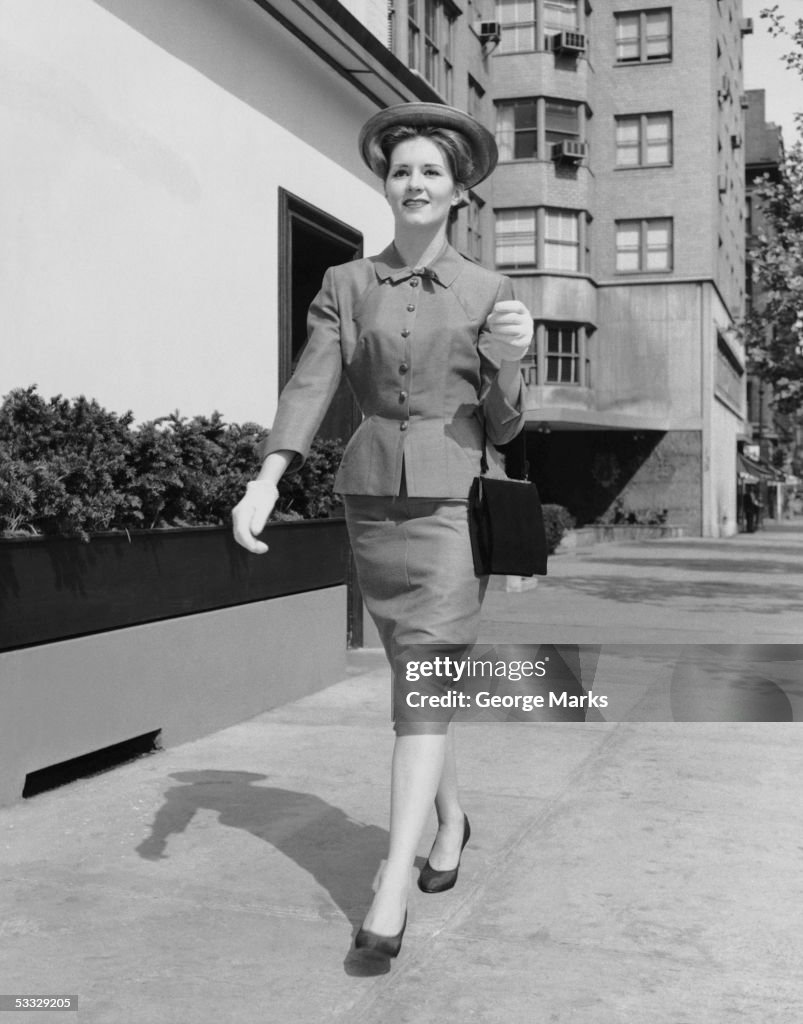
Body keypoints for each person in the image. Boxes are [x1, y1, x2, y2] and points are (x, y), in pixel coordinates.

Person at [231, 102, 532, 962]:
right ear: (386, 183)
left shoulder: (489, 292)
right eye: (402, 170)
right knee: (418, 682)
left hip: (450, 510)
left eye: (431, 172)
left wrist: (510, 362)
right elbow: (310, 382)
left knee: (424, 682)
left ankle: (391, 881)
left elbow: (507, 428)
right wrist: (267, 478)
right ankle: (451, 821)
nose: (414, 183)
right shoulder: (345, 285)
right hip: (370, 501)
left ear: (456, 189)